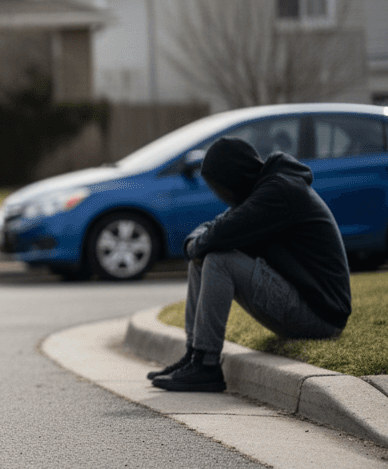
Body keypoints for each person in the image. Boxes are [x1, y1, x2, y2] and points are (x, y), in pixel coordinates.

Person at [150, 137, 352, 392]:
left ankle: (206, 364)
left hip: (321, 316)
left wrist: (197, 243)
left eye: (220, 188)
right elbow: (213, 228)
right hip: (302, 304)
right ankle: (194, 356)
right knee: (204, 257)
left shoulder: (279, 192)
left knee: (218, 259)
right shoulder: (261, 190)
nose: (221, 197)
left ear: (235, 179)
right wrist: (197, 243)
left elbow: (218, 234)